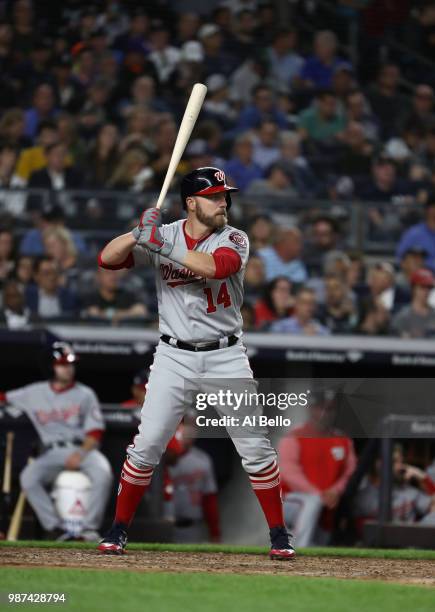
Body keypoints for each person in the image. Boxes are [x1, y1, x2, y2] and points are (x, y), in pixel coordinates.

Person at [97, 166, 295, 560]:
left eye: (224, 196)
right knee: (148, 444)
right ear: (192, 202)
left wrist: (159, 246)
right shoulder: (165, 233)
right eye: (215, 197)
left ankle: (279, 535)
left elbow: (217, 267)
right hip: (173, 355)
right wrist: (138, 233)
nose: (224, 202)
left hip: (225, 356)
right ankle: (117, 530)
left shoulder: (234, 237)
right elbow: (107, 259)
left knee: (254, 447)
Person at [0, 342, 113, 540]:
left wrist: (80, 454)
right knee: (28, 478)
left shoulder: (85, 394)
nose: (68, 368)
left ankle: (89, 529)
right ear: (49, 367)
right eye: (62, 364)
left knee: (103, 472)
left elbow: (95, 432)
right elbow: (4, 397)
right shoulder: (33, 392)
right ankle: (57, 528)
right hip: (52, 453)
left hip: (82, 449)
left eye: (70, 364)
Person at [279, 391, 356, 546]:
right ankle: (296, 549)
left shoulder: (343, 440)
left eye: (329, 409)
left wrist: (335, 491)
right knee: (312, 502)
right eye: (319, 408)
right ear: (310, 409)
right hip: (291, 501)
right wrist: (318, 493)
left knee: (321, 545)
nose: (324, 413)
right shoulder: (295, 435)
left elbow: (350, 472)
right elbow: (289, 472)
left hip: (326, 503)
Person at [168, 420, 221, 543]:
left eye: (192, 427)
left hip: (192, 527)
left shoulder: (202, 459)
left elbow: (209, 499)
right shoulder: (160, 457)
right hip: (164, 525)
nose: (187, 431)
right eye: (184, 426)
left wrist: (215, 532)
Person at [82, 267, 148, 325]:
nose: (113, 277)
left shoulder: (127, 295)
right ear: (99, 277)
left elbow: (140, 310)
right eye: (108, 273)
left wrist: (107, 315)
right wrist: (127, 314)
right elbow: (91, 314)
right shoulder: (91, 297)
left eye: (114, 273)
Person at [392, 268, 435, 338]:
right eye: (423, 286)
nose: (427, 291)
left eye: (429, 287)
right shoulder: (403, 316)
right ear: (413, 288)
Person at [397, 197, 435, 272]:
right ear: (427, 210)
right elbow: (400, 258)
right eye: (433, 207)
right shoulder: (413, 233)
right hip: (420, 278)